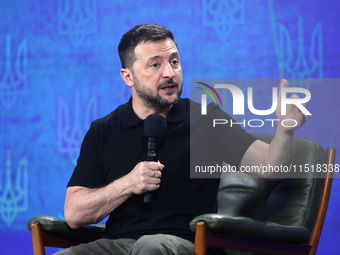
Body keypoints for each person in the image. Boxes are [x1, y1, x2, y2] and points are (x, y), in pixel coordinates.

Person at [56, 24, 306, 255]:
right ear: (128, 77)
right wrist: (128, 184)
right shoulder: (103, 129)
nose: (169, 73)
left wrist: (285, 130)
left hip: (188, 245)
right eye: (155, 65)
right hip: (119, 245)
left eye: (174, 62)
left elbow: (270, 166)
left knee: (150, 246)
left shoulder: (206, 118)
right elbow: (75, 213)